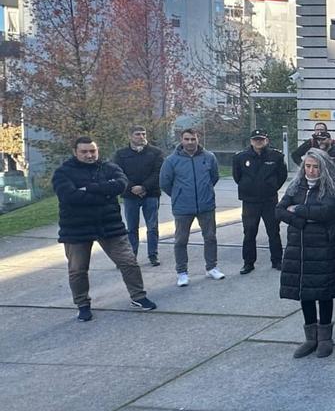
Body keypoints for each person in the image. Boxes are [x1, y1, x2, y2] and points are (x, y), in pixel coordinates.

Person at [53, 136, 157, 321]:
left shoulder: (108, 167)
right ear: (75, 152)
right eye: (84, 152)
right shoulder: (63, 172)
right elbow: (69, 196)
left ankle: (139, 296)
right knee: (77, 269)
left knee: (129, 262)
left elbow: (120, 184)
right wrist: (104, 193)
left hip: (110, 225)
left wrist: (88, 188)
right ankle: (83, 304)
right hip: (76, 228)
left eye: (92, 151)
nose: (89, 155)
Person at [277, 149, 335, 359]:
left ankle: (325, 337)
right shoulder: (296, 186)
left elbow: (326, 212)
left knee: (323, 292)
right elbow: (279, 210)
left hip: (323, 247)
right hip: (298, 248)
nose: (311, 170)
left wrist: (297, 210)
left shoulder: (332, 189)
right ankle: (310, 337)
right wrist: (302, 219)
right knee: (305, 292)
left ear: (323, 167)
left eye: (316, 166)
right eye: (308, 166)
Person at [160, 128, 223, 286]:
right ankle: (182, 272)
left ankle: (212, 267)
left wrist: (206, 192)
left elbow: (214, 177)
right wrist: (179, 195)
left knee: (210, 237)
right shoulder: (171, 160)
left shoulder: (209, 157)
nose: (190, 142)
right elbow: (165, 183)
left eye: (193, 139)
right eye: (187, 139)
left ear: (198, 139)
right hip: (182, 208)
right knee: (181, 240)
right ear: (181, 140)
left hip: (206, 205)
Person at [232, 129, 288, 275]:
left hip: (269, 200)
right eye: (256, 139)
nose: (258, 142)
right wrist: (247, 187)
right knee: (249, 232)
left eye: (261, 139)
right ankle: (248, 263)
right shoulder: (241, 157)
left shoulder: (276, 156)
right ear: (251, 141)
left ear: (266, 140)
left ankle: (277, 260)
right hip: (250, 202)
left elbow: (282, 175)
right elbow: (237, 176)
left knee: (273, 231)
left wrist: (272, 187)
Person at [112, 125, 164, 266]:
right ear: (130, 136)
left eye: (143, 134)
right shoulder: (121, 154)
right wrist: (131, 187)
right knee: (131, 228)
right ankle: (131, 256)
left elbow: (158, 172)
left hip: (151, 194)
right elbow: (118, 173)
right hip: (130, 196)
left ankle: (153, 255)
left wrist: (144, 187)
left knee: (152, 226)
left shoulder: (156, 152)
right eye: (137, 134)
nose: (141, 137)